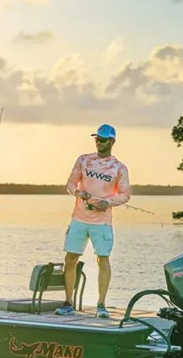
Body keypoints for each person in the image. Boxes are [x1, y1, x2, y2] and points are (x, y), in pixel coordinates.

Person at [56, 123, 131, 318]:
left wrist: (108, 203)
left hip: (102, 223)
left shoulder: (119, 168)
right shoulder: (83, 160)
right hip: (79, 219)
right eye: (97, 138)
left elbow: (125, 195)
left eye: (103, 139)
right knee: (70, 258)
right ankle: (68, 302)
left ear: (112, 141)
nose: (99, 142)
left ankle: (101, 305)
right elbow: (70, 183)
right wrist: (77, 192)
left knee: (102, 259)